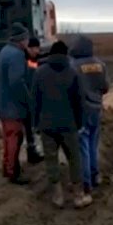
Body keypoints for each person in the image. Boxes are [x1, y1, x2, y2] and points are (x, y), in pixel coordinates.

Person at [33, 40, 89, 208]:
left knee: (51, 160)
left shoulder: (40, 73)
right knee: (74, 159)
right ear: (66, 54)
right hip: (68, 125)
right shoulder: (73, 73)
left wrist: (36, 124)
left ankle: (57, 196)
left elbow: (35, 100)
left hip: (47, 126)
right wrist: (80, 124)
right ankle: (78, 196)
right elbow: (79, 101)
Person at [69, 35, 109, 198]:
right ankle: (95, 175)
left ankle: (87, 183)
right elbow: (105, 87)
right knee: (93, 143)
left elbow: (70, 89)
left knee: (82, 146)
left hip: (81, 111)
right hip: (97, 108)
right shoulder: (101, 65)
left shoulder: (73, 66)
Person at [0, 22, 31, 185]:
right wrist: (27, 100)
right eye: (26, 38)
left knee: (9, 136)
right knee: (15, 137)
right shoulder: (16, 55)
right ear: (21, 40)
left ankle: (7, 168)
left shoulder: (5, 51)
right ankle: (13, 173)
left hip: (3, 103)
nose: (28, 41)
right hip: (12, 106)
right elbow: (17, 82)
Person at [24, 37, 44, 164]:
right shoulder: (28, 62)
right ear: (30, 48)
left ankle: (33, 152)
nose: (38, 51)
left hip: (31, 99)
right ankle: (32, 154)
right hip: (29, 99)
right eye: (36, 48)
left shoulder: (32, 60)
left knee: (31, 129)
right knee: (30, 128)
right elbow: (31, 79)